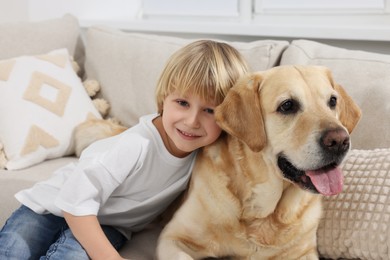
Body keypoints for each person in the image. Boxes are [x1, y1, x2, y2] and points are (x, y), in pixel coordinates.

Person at [0, 40, 249, 260]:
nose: (192, 121)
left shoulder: (208, 153)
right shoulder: (135, 145)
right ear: (163, 100)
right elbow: (75, 201)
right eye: (182, 103)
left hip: (111, 223)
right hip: (54, 205)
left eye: (210, 111)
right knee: (13, 252)